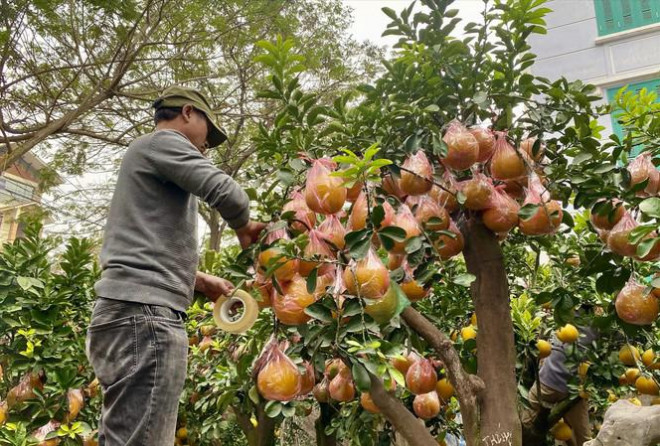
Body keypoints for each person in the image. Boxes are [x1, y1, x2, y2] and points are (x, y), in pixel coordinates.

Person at [85, 86, 265, 446]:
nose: (206, 146)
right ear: (187, 113)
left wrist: (195, 280)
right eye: (207, 134)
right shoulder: (162, 142)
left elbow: (140, 249)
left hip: (127, 314)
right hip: (145, 318)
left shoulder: (147, 160)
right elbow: (227, 193)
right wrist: (244, 225)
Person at [521, 322, 598, 446]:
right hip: (570, 389)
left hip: (555, 384)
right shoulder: (598, 325)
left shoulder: (565, 315)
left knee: (525, 422)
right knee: (583, 436)